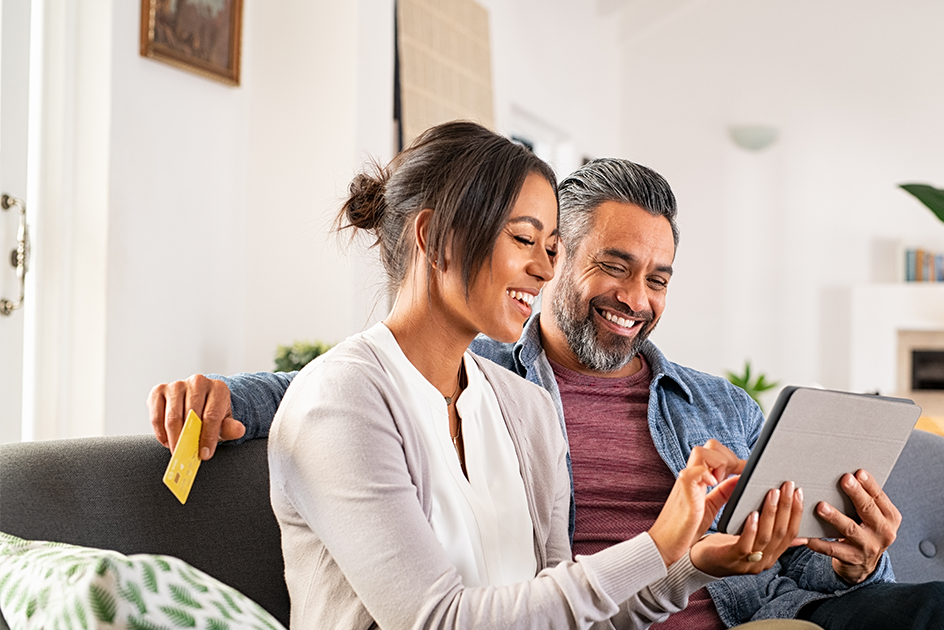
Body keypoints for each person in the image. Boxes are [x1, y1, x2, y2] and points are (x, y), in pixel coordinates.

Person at [150, 157, 944, 630]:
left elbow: (780, 567)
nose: (637, 297)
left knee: (936, 612)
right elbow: (349, 387)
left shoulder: (718, 408)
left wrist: (851, 556)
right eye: (613, 264)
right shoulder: (492, 377)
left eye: (659, 277)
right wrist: (226, 396)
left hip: (730, 618)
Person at [247, 122, 804, 629]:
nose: (544, 269)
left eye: (552, 246)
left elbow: (574, 616)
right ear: (435, 236)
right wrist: (656, 544)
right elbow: (438, 621)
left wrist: (689, 562)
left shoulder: (525, 407)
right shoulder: (339, 400)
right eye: (523, 240)